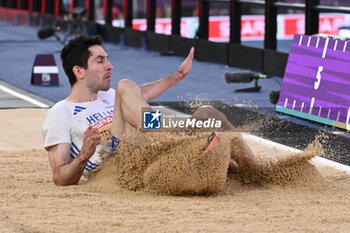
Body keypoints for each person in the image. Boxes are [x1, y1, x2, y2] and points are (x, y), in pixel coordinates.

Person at [42, 35, 259, 187]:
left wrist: (178, 75)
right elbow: (60, 177)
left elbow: (143, 92)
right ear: (79, 71)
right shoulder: (60, 113)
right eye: (100, 60)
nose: (110, 65)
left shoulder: (110, 96)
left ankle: (255, 171)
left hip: (147, 149)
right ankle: (175, 138)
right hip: (118, 166)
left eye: (107, 58)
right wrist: (84, 155)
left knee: (209, 114)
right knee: (126, 86)